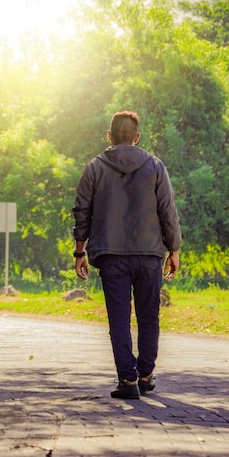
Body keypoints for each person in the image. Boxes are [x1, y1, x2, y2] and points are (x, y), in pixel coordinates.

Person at [72, 111, 181, 399]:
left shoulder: (95, 168)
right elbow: (168, 211)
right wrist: (174, 249)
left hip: (111, 255)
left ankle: (128, 381)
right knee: (149, 316)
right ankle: (145, 375)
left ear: (109, 136)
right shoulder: (156, 167)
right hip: (148, 255)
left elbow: (82, 211)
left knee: (119, 319)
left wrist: (79, 250)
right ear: (137, 138)